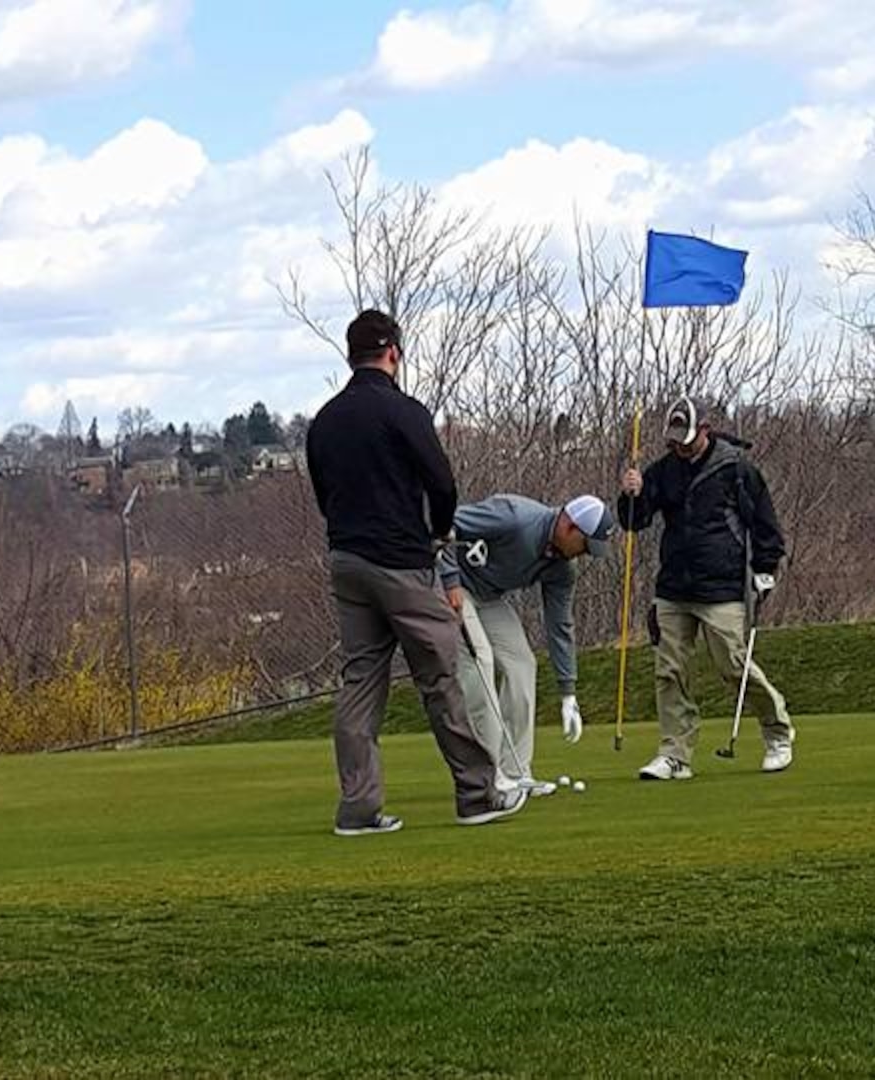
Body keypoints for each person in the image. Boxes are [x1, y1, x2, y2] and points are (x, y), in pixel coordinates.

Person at [305, 309, 527, 833]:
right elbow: (442, 483)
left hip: (347, 562)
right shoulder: (403, 411)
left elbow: (322, 494)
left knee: (360, 681)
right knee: (442, 677)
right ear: (394, 354)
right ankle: (476, 793)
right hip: (402, 562)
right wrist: (441, 532)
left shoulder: (325, 420)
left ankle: (358, 808)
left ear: (349, 354)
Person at [617, 395, 793, 779]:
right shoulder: (664, 470)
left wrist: (766, 568)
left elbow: (765, 524)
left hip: (722, 586)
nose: (679, 446)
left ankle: (778, 732)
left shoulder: (737, 469)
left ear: (706, 432)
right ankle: (675, 754)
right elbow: (636, 521)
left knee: (733, 666)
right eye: (673, 439)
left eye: (686, 438)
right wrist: (630, 493)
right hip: (674, 587)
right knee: (670, 671)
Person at [438, 492, 616, 796]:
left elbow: (560, 627)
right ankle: (489, 774)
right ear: (570, 527)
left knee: (522, 663)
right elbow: (443, 525)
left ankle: (517, 771)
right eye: (585, 545)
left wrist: (568, 692)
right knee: (481, 661)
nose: (583, 554)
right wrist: (451, 580)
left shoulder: (561, 569)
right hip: (452, 588)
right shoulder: (515, 517)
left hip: (489, 597)